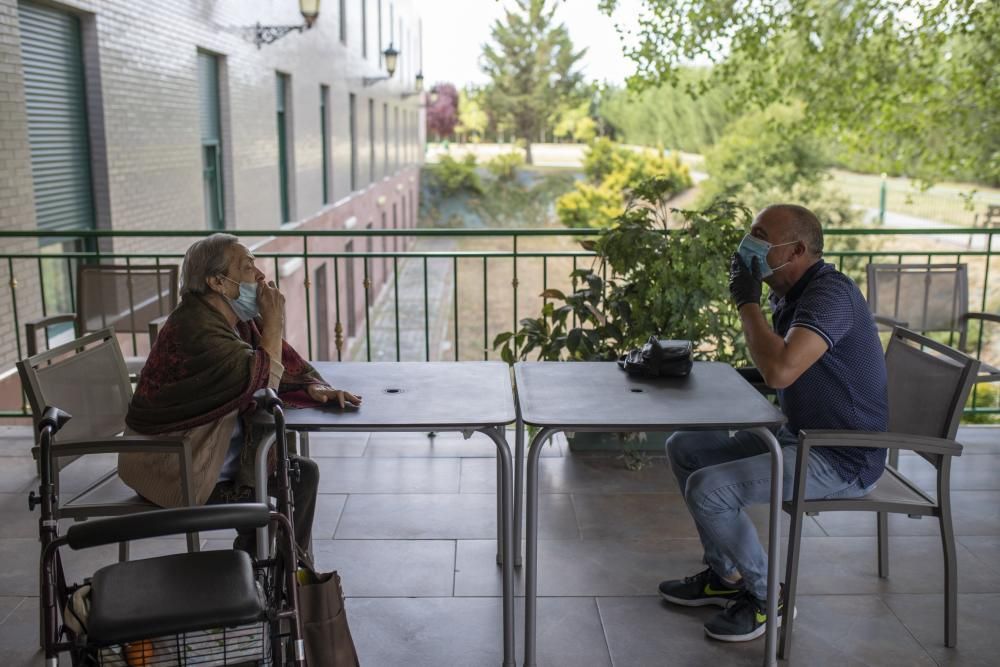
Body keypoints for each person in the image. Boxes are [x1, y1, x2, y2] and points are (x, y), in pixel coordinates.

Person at [659, 204, 888, 642]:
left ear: (797, 249)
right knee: (684, 446)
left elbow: (781, 371)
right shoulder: (791, 293)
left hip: (842, 456)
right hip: (799, 436)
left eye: (761, 236)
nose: (750, 245)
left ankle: (768, 597)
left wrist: (746, 302)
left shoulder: (829, 295)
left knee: (709, 489)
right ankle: (725, 577)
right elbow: (777, 368)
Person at [119, 233, 361, 551]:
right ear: (217, 282)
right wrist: (275, 322)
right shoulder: (195, 329)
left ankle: (288, 570)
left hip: (209, 456)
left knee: (302, 475)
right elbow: (262, 382)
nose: (260, 276)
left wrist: (310, 387)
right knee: (268, 496)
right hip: (175, 470)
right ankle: (262, 572)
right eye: (248, 267)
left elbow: (269, 368)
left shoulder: (232, 322)